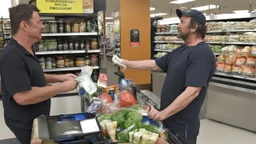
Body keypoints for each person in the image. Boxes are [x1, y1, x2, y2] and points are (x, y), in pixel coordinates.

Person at [113, 9, 216, 144]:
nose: (178, 25)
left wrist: (163, 113)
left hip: (182, 125)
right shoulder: (180, 50)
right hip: (169, 120)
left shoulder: (202, 54)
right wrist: (125, 62)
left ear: (194, 27)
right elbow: (154, 64)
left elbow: (192, 92)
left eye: (182, 22)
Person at [0, 4, 77, 144]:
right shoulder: (11, 56)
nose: (43, 26)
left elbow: (31, 74)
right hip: (26, 124)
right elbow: (23, 97)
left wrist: (60, 77)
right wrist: (62, 87)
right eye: (39, 22)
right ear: (25, 26)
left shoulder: (27, 48)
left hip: (37, 118)